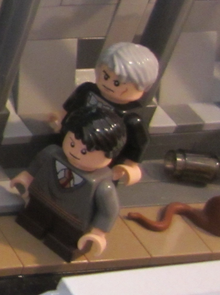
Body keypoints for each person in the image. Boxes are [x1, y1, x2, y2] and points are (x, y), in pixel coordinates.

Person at [13, 104, 126, 261]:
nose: (76, 152)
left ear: (110, 154)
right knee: (33, 220)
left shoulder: (102, 186)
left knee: (64, 241)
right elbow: (36, 166)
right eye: (72, 143)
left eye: (85, 151)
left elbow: (108, 211)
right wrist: (26, 178)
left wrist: (98, 233)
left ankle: (64, 243)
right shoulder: (52, 153)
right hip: (41, 201)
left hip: (73, 221)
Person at [54, 42, 158, 186]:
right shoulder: (87, 91)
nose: (108, 84)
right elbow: (68, 109)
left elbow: (138, 145)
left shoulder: (131, 118)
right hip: (69, 145)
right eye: (105, 76)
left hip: (100, 163)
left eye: (117, 83)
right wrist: (59, 119)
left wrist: (130, 166)